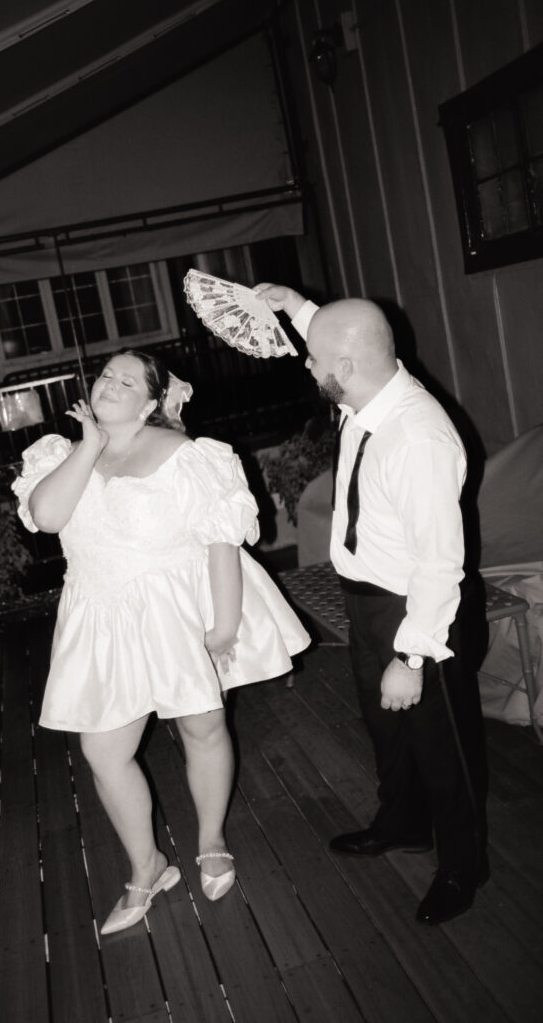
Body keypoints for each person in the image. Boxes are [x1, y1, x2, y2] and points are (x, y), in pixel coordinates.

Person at [12, 348, 310, 935]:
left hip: (174, 610)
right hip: (98, 618)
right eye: (104, 376)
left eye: (128, 380)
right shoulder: (61, 453)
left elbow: (221, 542)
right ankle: (148, 866)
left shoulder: (187, 456)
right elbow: (46, 519)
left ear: (152, 402)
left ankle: (211, 840)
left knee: (201, 727)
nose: (111, 384)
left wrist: (224, 627)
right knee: (103, 752)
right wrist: (90, 446)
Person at [254, 285, 488, 925]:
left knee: (444, 748)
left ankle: (464, 866)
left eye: (314, 358)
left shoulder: (416, 438)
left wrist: (411, 657)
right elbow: (340, 344)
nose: (307, 364)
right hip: (368, 601)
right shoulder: (362, 391)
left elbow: (441, 563)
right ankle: (405, 825)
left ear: (347, 368)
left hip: (418, 610)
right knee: (389, 732)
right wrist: (297, 308)